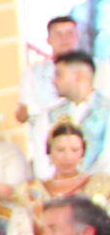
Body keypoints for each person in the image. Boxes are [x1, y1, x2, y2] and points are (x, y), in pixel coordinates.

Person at [20, 15, 88, 162]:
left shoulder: (100, 70)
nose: (65, 39)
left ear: (77, 36)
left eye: (70, 33)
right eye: (58, 34)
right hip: (50, 150)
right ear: (48, 40)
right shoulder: (33, 75)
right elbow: (27, 112)